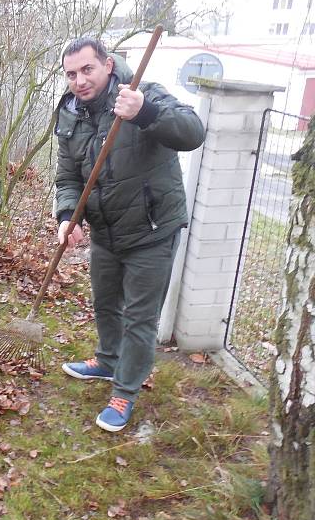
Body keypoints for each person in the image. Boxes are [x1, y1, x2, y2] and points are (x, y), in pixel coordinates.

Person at [55, 37, 204, 433]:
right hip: (106, 231)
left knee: (140, 317)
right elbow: (68, 176)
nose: (80, 80)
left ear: (107, 64)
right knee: (105, 303)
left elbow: (192, 132)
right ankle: (107, 360)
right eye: (71, 74)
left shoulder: (142, 94)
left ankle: (125, 390)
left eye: (87, 69)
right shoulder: (70, 113)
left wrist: (145, 113)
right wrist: (68, 216)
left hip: (151, 230)